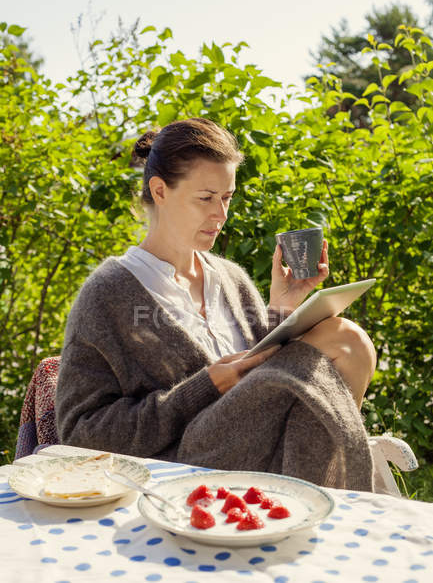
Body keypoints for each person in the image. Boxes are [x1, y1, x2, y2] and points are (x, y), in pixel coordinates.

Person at [56, 118, 376, 491]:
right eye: (206, 198)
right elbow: (79, 432)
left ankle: (308, 487)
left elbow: (260, 368)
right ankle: (316, 494)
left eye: (226, 198)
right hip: (185, 463)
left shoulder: (229, 278)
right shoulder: (107, 294)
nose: (221, 215)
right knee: (343, 339)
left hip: (258, 445)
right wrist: (204, 386)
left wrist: (283, 309)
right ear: (159, 191)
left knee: (348, 342)